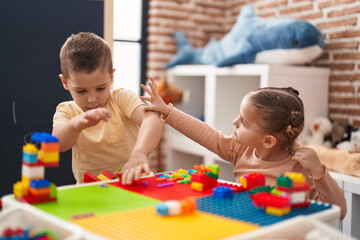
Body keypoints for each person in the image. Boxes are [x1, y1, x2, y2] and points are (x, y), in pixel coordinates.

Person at [141, 77, 347, 219]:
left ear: (268, 141)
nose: (234, 122)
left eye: (244, 122)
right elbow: (204, 133)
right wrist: (167, 112)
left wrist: (319, 172)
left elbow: (339, 211)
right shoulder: (240, 150)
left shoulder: (300, 165)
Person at [52, 32, 163, 185]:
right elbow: (58, 144)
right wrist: (76, 125)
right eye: (81, 91)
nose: (92, 99)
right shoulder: (66, 110)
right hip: (90, 191)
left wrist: (140, 152)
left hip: (132, 184)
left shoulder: (121, 99)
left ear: (111, 77)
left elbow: (152, 120)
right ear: (65, 82)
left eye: (100, 88)